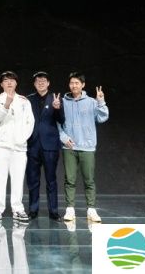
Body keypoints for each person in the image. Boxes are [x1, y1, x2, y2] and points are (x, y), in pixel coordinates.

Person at [59, 71, 109, 223]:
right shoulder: (62, 102)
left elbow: (102, 117)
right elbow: (57, 122)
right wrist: (63, 137)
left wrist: (101, 102)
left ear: (83, 85)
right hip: (69, 147)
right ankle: (70, 209)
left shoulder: (92, 102)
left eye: (77, 83)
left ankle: (91, 210)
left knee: (89, 181)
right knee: (69, 180)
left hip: (87, 147)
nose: (74, 85)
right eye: (71, 83)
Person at [0, 71, 34, 223]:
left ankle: (18, 209)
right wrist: (7, 104)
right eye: (6, 80)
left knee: (18, 179)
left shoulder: (24, 101)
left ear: (16, 83)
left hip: (19, 148)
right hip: (1, 146)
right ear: (1, 84)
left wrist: (21, 139)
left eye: (12, 80)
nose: (9, 82)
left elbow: (30, 122)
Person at [26, 71, 65, 220]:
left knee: (51, 180)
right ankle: (33, 210)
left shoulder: (55, 99)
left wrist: (57, 108)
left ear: (48, 83)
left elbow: (62, 120)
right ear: (34, 84)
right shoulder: (28, 100)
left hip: (50, 145)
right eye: (38, 81)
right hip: (33, 145)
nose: (41, 83)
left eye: (43, 80)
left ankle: (53, 211)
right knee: (33, 180)